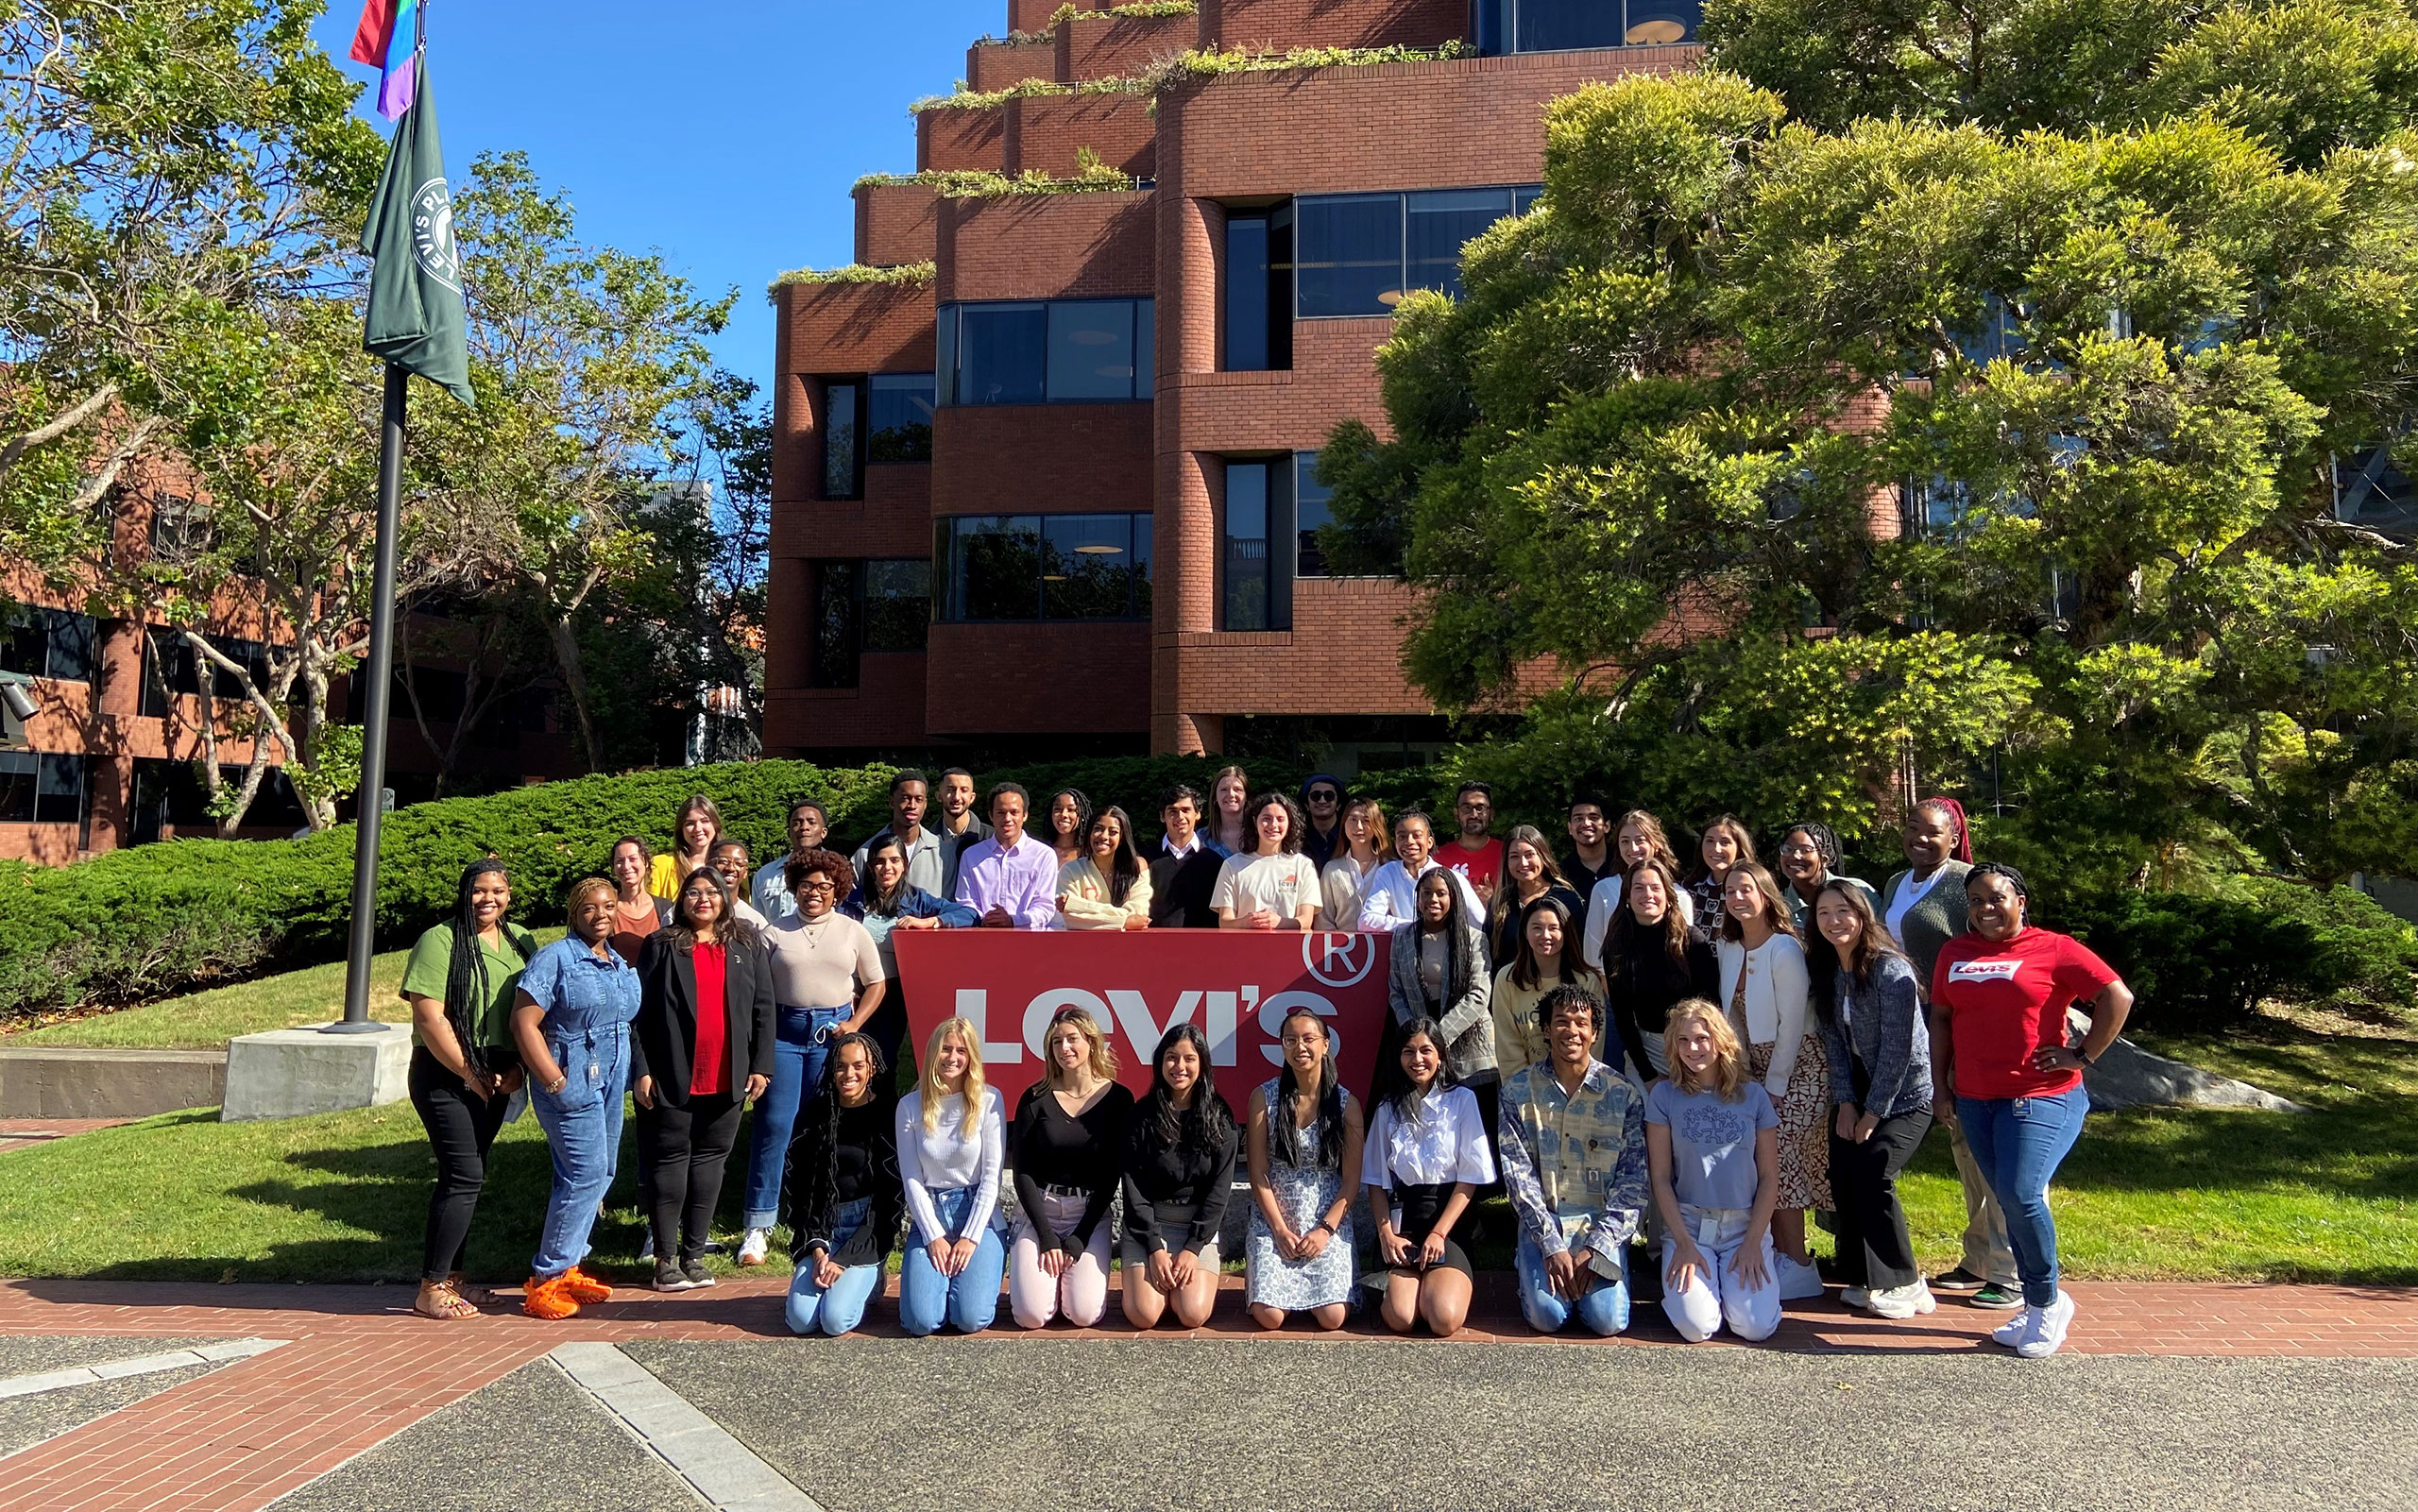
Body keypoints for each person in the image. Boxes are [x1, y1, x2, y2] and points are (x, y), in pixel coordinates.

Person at [1931, 862, 2134, 1358]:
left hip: (2042, 1095)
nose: (1985, 909)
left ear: (2020, 901)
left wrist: (2082, 1054)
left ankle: (2046, 1302)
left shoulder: (2054, 947)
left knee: (2021, 1195)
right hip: (1977, 1099)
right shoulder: (1954, 952)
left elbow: (2116, 995)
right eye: (1975, 901)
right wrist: (1941, 1086)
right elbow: (1940, 1017)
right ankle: (2033, 1301)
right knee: (2006, 1199)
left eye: (1996, 898)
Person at [1882, 796, 2016, 1309]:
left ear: (1954, 835)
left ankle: (2007, 1268)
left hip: (1966, 1025)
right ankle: (1978, 1255)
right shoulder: (1897, 883)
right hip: (1923, 1027)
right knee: (1963, 1145)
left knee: (1991, 1149)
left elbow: (1995, 942)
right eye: (1911, 828)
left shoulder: (1965, 883)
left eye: (1932, 831)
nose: (1919, 837)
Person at [400, 860, 537, 1320]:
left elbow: (529, 1013)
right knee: (463, 1176)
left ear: (510, 894)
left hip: (499, 1070)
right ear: (465, 893)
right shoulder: (439, 940)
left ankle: (454, 1280)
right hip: (447, 1071)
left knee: (468, 1176)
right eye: (479, 891)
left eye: (497, 890)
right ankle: (430, 1287)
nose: (488, 900)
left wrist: (518, 1068)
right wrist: (468, 1073)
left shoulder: (521, 940)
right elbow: (429, 1017)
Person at [739, 848, 888, 1267]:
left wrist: (856, 1023)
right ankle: (759, 1224)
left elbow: (875, 984)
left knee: (826, 1127)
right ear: (795, 888)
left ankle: (816, 1216)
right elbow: (758, 995)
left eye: (824, 886)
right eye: (806, 886)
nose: (815, 893)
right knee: (775, 1127)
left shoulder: (852, 931)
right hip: (784, 1035)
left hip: (834, 1038)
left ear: (837, 890)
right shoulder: (773, 932)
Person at [631, 867, 775, 1291]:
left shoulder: (746, 943)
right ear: (682, 899)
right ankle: (665, 1258)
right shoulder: (661, 945)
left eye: (712, 891)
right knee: (670, 1164)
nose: (704, 899)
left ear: (726, 897)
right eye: (694, 892)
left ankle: (694, 1255)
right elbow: (638, 1014)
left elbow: (763, 1009)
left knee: (711, 1165)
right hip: (672, 1074)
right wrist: (641, 1069)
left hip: (728, 1076)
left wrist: (761, 1065)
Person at [511, 878, 643, 1319]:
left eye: (608, 905)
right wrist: (553, 1081)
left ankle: (568, 1265)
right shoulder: (556, 959)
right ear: (574, 912)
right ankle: (546, 1280)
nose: (601, 914)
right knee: (584, 1174)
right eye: (589, 908)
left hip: (609, 1081)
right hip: (570, 1081)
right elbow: (524, 1023)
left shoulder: (618, 961)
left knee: (599, 1173)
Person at [1810, 878, 1934, 1319]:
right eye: (1824, 913)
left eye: (1843, 911)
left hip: (1907, 1095)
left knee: (1875, 1168)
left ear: (1863, 915)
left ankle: (1907, 1281)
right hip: (1858, 1090)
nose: (1834, 922)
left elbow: (1902, 1052)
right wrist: (1846, 1104)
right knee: (1842, 1172)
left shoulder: (1891, 971)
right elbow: (1835, 1047)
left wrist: (1872, 1113)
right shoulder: (1827, 972)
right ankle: (1866, 1277)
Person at [1498, 983, 1648, 1336]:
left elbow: (1633, 1183)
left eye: (1582, 1023)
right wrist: (1551, 1246)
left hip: (1600, 1226)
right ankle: (1533, 1270)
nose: (1572, 1031)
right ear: (1546, 1030)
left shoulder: (1623, 1095)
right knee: (1546, 1318)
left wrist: (1596, 1246)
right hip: (1544, 1224)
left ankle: (1608, 1280)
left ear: (1595, 1032)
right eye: (1562, 1022)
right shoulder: (1518, 1092)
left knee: (1605, 1321)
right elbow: (1518, 1178)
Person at [1714, 859, 1827, 1300]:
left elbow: (1793, 1024)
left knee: (1781, 1158)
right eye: (1730, 892)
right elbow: (1731, 1018)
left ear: (1765, 894)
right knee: (1762, 1160)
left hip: (1799, 1065)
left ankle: (1798, 1263)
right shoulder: (1728, 948)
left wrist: (1775, 1087)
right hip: (1752, 1068)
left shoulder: (1785, 948)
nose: (1738, 898)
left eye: (1746, 890)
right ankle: (1780, 1252)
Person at [1646, 999, 1782, 1343]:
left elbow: (1769, 1177)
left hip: (1743, 1228)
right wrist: (1682, 1242)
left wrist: (1753, 1241)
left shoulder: (1754, 1097)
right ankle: (1703, 1295)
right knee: (1697, 1328)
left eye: (1702, 1038)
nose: (1693, 1048)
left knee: (1756, 1327)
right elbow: (1660, 1177)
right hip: (1689, 1225)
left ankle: (1733, 1292)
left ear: (1720, 1040)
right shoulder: (1664, 1096)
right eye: (1683, 1040)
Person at [1362, 1017, 1496, 1335]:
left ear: (1441, 1056)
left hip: (1447, 1226)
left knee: (1442, 1318)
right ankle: (1404, 1284)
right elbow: (1375, 1181)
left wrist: (1439, 1233)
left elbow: (1470, 1179)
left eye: (1426, 1050)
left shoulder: (1463, 1101)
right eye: (1408, 1051)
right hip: (1403, 1224)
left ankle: (1436, 1285)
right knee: (1401, 1317)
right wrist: (1386, 1236)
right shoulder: (1386, 1109)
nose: (1417, 1059)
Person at [1009, 1008, 1135, 1329]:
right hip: (1041, 1212)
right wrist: (1048, 1237)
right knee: (1031, 1316)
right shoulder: (1034, 1098)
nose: (1064, 1048)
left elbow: (1112, 1174)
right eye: (1056, 1042)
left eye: (1072, 1039)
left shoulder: (1119, 1099)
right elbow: (1022, 1171)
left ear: (1091, 1042)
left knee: (1083, 1313)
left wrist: (1079, 1236)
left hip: (1088, 1216)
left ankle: (1070, 1281)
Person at [1246, 1008, 1365, 1331]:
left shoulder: (1347, 1104)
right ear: (1282, 1047)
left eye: (1309, 1038)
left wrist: (1325, 1231)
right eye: (1291, 1040)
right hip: (1275, 1220)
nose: (1300, 1047)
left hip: (1326, 1220)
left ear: (1325, 1045)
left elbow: (1352, 1181)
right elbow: (1258, 1173)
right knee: (1269, 1317)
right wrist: (1280, 1230)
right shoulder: (1264, 1098)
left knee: (1333, 1318)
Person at [782, 1032, 902, 1336]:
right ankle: (844, 1280)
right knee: (801, 1321)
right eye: (841, 1066)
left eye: (858, 1066)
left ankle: (871, 1275)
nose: (849, 1075)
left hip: (866, 1226)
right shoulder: (815, 1113)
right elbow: (799, 1185)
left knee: (835, 1321)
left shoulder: (888, 1114)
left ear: (872, 1068)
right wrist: (817, 1247)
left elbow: (890, 1198)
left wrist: (847, 1258)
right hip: (825, 1224)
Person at [1120, 1024, 1237, 1331]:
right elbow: (1134, 1189)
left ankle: (1180, 1289)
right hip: (1150, 1226)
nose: (1180, 1067)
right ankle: (1158, 1290)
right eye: (1172, 1058)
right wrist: (1154, 1249)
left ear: (1202, 1064)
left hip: (1195, 1228)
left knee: (1191, 1314)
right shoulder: (1141, 1116)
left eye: (1189, 1058)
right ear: (1160, 1062)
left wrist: (1192, 1249)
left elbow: (1218, 1192)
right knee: (1143, 1316)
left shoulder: (1220, 1117)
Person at [897, 1016, 1009, 1336]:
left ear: (971, 1056)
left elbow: (991, 1177)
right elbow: (912, 1179)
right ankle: (934, 1292)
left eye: (961, 1050)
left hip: (979, 1215)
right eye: (946, 1049)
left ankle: (962, 1287)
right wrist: (933, 1236)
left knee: (970, 1319)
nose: (953, 1057)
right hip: (931, 1214)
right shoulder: (909, 1107)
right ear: (933, 1052)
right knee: (921, 1322)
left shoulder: (989, 1101)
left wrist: (970, 1238)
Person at [846, 833, 979, 1071]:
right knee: (850, 1056)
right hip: (853, 990)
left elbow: (969, 914)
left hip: (892, 992)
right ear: (870, 866)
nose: (887, 867)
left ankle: (885, 1106)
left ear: (904, 865)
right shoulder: (851, 901)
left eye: (895, 861)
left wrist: (931, 922)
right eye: (880, 861)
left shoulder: (917, 900)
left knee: (883, 1059)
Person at [1385, 869, 1497, 1131]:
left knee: (1478, 1133)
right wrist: (1417, 1038)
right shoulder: (1402, 937)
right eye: (1426, 893)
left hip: (1471, 1048)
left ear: (1454, 898)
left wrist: (1437, 1038)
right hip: (1420, 1051)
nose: (1432, 899)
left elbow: (1478, 995)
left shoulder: (1475, 938)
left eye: (1441, 893)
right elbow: (1396, 991)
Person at [1600, 857, 1718, 1082]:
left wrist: (1700, 1059)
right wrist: (1649, 1076)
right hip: (1648, 1051)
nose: (1648, 895)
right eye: (1639, 888)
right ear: (1627, 896)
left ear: (1668, 895)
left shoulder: (1692, 942)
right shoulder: (1616, 947)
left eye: (1655, 887)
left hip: (1698, 1046)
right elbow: (1623, 1018)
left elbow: (1712, 1007)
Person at [1490, 896, 1606, 1083]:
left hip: (1576, 1086)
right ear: (1525, 932)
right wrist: (1523, 1091)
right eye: (1537, 928)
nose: (1545, 935)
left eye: (1554, 928)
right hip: (1526, 1089)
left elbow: (1593, 1042)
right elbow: (1508, 1048)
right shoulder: (1507, 979)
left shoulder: (1586, 981)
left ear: (1566, 932)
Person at [1578, 808, 1696, 971]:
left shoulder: (1679, 895)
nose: (1633, 848)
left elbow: (1686, 951)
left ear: (1655, 844)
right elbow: (1593, 953)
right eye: (1625, 841)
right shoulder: (1603, 889)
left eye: (1640, 840)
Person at [1355, 809, 1482, 931]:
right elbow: (1367, 920)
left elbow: (1480, 922)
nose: (1409, 842)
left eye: (1417, 836)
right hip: (1405, 950)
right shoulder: (1388, 872)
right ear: (1395, 843)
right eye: (1402, 836)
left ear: (1429, 842)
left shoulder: (1452, 878)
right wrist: (1415, 927)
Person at [1212, 792, 1323, 931]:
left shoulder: (1303, 865)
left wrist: (1278, 922)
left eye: (1280, 819)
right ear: (1255, 821)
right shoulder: (1232, 865)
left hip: (1289, 949)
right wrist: (1249, 922)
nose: (1273, 825)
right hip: (1244, 949)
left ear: (1289, 823)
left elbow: (1306, 921)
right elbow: (1225, 922)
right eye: (1267, 819)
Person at [953, 784, 1058, 930]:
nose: (1007, 819)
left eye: (1014, 812)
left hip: (1029, 942)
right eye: (1001, 812)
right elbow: (966, 902)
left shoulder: (1043, 856)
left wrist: (1013, 921)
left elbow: (1044, 906)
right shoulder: (971, 856)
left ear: (1025, 815)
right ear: (991, 815)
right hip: (982, 938)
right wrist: (985, 920)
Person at [1486, 824, 1584, 966]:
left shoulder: (1566, 899)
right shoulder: (1498, 903)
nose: (1523, 863)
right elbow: (1491, 956)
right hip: (1512, 985)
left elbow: (1580, 950)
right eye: (1514, 857)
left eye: (1529, 855)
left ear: (1542, 856)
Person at [849, 770, 950, 900]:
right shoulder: (866, 853)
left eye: (918, 800)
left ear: (925, 804)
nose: (912, 806)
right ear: (892, 802)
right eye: (905, 799)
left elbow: (951, 906)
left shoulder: (943, 852)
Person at [1056, 806, 1153, 930]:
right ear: (1089, 833)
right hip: (1083, 946)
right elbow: (1070, 920)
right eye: (1098, 829)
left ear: (1122, 838)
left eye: (1113, 832)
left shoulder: (1136, 868)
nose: (1104, 836)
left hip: (1128, 947)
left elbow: (1138, 914)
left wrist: (1077, 906)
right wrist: (1122, 922)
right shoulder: (1071, 870)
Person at [1777, 820, 1878, 932]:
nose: (1795, 856)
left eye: (1805, 850)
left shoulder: (1859, 891)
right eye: (1787, 849)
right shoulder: (1776, 905)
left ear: (1824, 859)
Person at [1147, 783, 1224, 928]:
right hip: (1155, 945)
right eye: (1172, 811)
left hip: (1202, 946)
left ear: (1198, 814)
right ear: (1162, 816)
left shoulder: (1214, 862)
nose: (1180, 817)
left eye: (1185, 810)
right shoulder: (1147, 860)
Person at [752, 797, 834, 922]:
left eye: (811, 822)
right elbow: (758, 923)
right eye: (797, 823)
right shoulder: (765, 874)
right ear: (789, 832)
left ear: (823, 832)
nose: (804, 827)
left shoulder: (837, 871)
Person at [1318, 796, 1390, 930]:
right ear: (1344, 824)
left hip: (1385, 946)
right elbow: (1323, 919)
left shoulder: (1390, 868)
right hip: (1340, 948)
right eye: (1353, 820)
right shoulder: (1332, 869)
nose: (1359, 827)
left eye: (1366, 820)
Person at [606, 836, 673, 967]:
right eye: (619, 861)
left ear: (646, 862)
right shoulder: (607, 910)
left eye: (633, 859)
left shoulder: (666, 908)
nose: (626, 866)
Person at [1435, 780, 1504, 905]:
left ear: (1491, 814)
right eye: (1467, 808)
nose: (1474, 814)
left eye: (1480, 808)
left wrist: (1493, 901)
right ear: (1456, 814)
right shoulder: (1438, 858)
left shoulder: (1507, 854)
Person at [931, 767, 993, 900]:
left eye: (964, 790)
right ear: (939, 796)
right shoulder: (927, 842)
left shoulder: (991, 838)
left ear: (972, 797)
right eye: (950, 790)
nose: (957, 797)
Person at [1688, 813, 1756, 928]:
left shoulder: (1751, 891)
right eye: (1710, 841)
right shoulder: (1689, 888)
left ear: (1739, 848)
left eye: (1725, 842)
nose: (1716, 849)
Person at [653, 794, 724, 900]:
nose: (698, 829)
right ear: (681, 829)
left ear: (715, 824)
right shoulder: (659, 865)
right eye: (690, 823)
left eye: (705, 821)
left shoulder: (730, 866)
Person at [1559, 795, 1620, 897]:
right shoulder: (1561, 874)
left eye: (1593, 818)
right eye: (1578, 819)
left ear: (1606, 826)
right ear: (1570, 828)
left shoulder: (1622, 863)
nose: (1586, 824)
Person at [708, 839, 770, 928]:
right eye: (723, 862)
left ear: (745, 872)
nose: (731, 868)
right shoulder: (696, 911)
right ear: (708, 866)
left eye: (739, 864)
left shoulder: (755, 922)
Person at [1298, 773, 1346, 869]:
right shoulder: (1297, 838)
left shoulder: (1349, 836)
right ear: (1307, 805)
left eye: (1329, 796)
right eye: (1315, 796)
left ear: (1338, 804)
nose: (1322, 801)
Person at [1040, 786, 1093, 871]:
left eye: (1071, 809)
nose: (1063, 814)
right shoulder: (1041, 852)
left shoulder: (1089, 853)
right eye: (1058, 809)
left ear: (1081, 815)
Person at [1208, 764, 1250, 857]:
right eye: (1224, 790)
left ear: (1247, 796)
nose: (1231, 794)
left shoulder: (1259, 835)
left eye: (1237, 789)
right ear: (1215, 796)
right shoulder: (1202, 839)